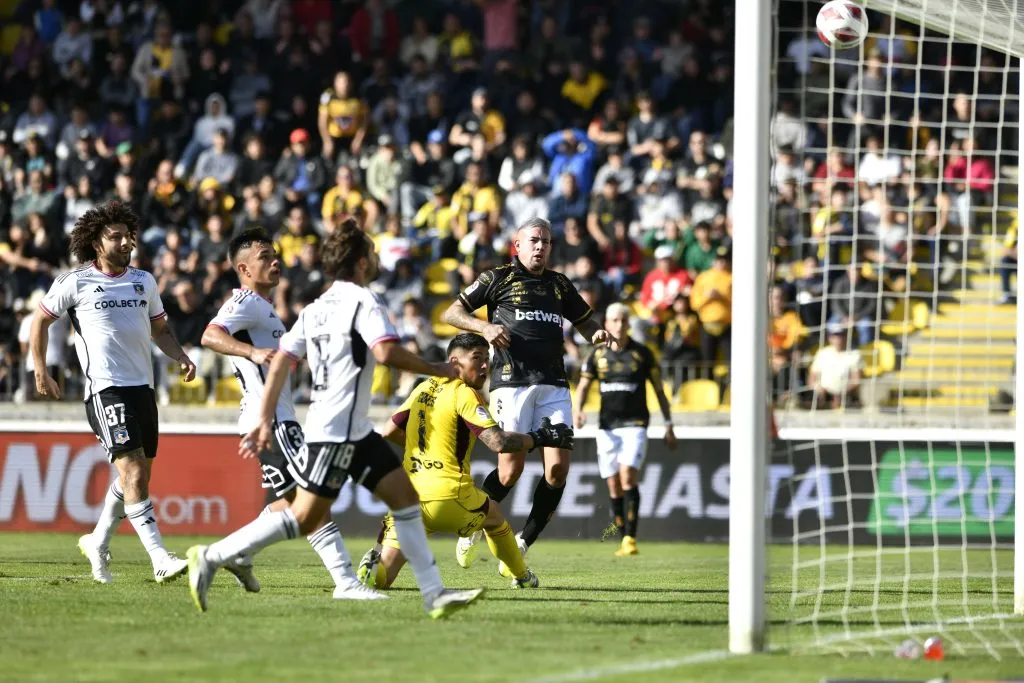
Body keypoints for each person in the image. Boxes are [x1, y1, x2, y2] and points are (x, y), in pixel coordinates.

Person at [185, 220, 484, 619]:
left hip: (352, 428)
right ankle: (213, 556)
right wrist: (436, 368)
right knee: (304, 515)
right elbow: (385, 353)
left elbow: (282, 361)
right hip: (336, 431)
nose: (375, 259)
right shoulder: (363, 301)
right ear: (361, 262)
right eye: (372, 253)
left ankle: (434, 593)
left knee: (404, 498)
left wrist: (263, 417)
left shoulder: (315, 308)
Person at [29, 200, 198, 584]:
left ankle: (97, 542)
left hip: (143, 389)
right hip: (106, 389)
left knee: (136, 477)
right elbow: (40, 321)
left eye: (128, 236)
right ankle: (159, 558)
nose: (125, 242)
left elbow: (159, 329)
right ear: (96, 242)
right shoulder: (75, 282)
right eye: (116, 236)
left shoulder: (144, 281)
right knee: (133, 470)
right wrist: (41, 369)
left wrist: (180, 356)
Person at [199, 229, 373, 599]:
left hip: (273, 418)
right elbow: (210, 335)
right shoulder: (245, 301)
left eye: (275, 254)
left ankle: (239, 553)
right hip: (272, 420)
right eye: (265, 256)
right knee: (311, 498)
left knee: (291, 500)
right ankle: (346, 582)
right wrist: (252, 353)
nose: (275, 261)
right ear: (244, 269)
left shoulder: (264, 307)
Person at [440, 217, 615, 568]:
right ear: (517, 245)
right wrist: (485, 328)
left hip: (554, 385)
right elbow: (452, 313)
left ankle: (522, 544)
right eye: (534, 240)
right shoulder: (497, 278)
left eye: (546, 242)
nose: (540, 247)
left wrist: (596, 333)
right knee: (510, 471)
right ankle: (472, 526)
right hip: (512, 382)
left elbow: (585, 323)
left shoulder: (559, 283)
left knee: (558, 471)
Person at [356, 333, 575, 590]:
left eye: (487, 359)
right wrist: (540, 437)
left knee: (383, 578)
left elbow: (388, 431)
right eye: (477, 358)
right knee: (495, 518)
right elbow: (498, 442)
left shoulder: (422, 389)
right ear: (454, 362)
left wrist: (425, 452)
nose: (484, 366)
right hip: (450, 495)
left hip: (409, 497)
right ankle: (522, 576)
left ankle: (371, 569)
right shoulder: (464, 393)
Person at [573, 304, 676, 557]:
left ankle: (631, 537)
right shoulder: (597, 355)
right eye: (614, 320)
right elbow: (583, 386)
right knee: (613, 483)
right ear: (607, 324)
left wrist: (668, 424)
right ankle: (623, 538)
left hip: (635, 424)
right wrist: (578, 410)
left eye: (623, 320)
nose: (619, 325)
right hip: (607, 427)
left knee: (627, 475)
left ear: (629, 324)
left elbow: (659, 390)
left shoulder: (642, 353)